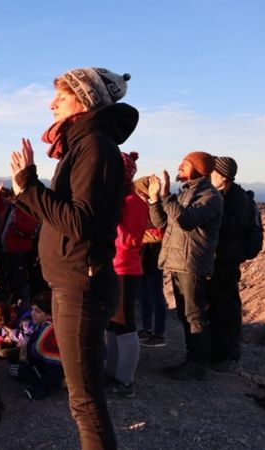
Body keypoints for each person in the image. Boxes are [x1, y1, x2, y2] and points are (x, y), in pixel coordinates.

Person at [9, 67, 137, 449]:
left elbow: (80, 222)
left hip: (81, 283)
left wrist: (28, 186)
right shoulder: (83, 146)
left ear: (84, 101)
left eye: (61, 98)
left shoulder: (94, 146)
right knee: (82, 393)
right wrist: (26, 191)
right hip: (73, 280)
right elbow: (60, 217)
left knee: (84, 399)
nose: (51, 105)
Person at [148, 151, 223, 381]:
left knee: (194, 314)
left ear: (198, 168)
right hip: (178, 261)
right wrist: (154, 200)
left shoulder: (210, 195)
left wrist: (166, 194)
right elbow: (161, 222)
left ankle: (198, 364)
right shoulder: (186, 193)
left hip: (192, 263)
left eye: (185, 164)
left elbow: (187, 221)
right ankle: (192, 360)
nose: (180, 166)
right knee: (185, 313)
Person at [104, 152, 148, 399]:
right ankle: (111, 371)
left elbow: (130, 240)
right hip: (113, 267)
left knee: (124, 323)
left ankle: (125, 380)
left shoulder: (133, 203)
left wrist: (113, 222)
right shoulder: (120, 200)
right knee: (111, 321)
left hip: (125, 269)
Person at [207, 156, 250, 371]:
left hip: (226, 262)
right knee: (215, 306)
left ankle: (228, 354)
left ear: (222, 176)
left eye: (212, 171)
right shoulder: (226, 195)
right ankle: (217, 352)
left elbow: (228, 227)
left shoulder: (236, 198)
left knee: (226, 307)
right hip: (219, 260)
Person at [7, 292, 63, 400]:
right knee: (13, 367)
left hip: (46, 372)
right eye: (32, 309)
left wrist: (42, 389)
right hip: (39, 366)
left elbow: (54, 365)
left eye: (37, 311)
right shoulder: (43, 325)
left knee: (14, 370)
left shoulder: (50, 330)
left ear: (49, 315)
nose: (32, 313)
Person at [133, 176, 168, 348]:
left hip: (153, 255)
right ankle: (147, 329)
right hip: (143, 254)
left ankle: (159, 333)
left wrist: (140, 235)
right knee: (144, 292)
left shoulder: (156, 209)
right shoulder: (143, 207)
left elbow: (159, 232)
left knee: (155, 293)